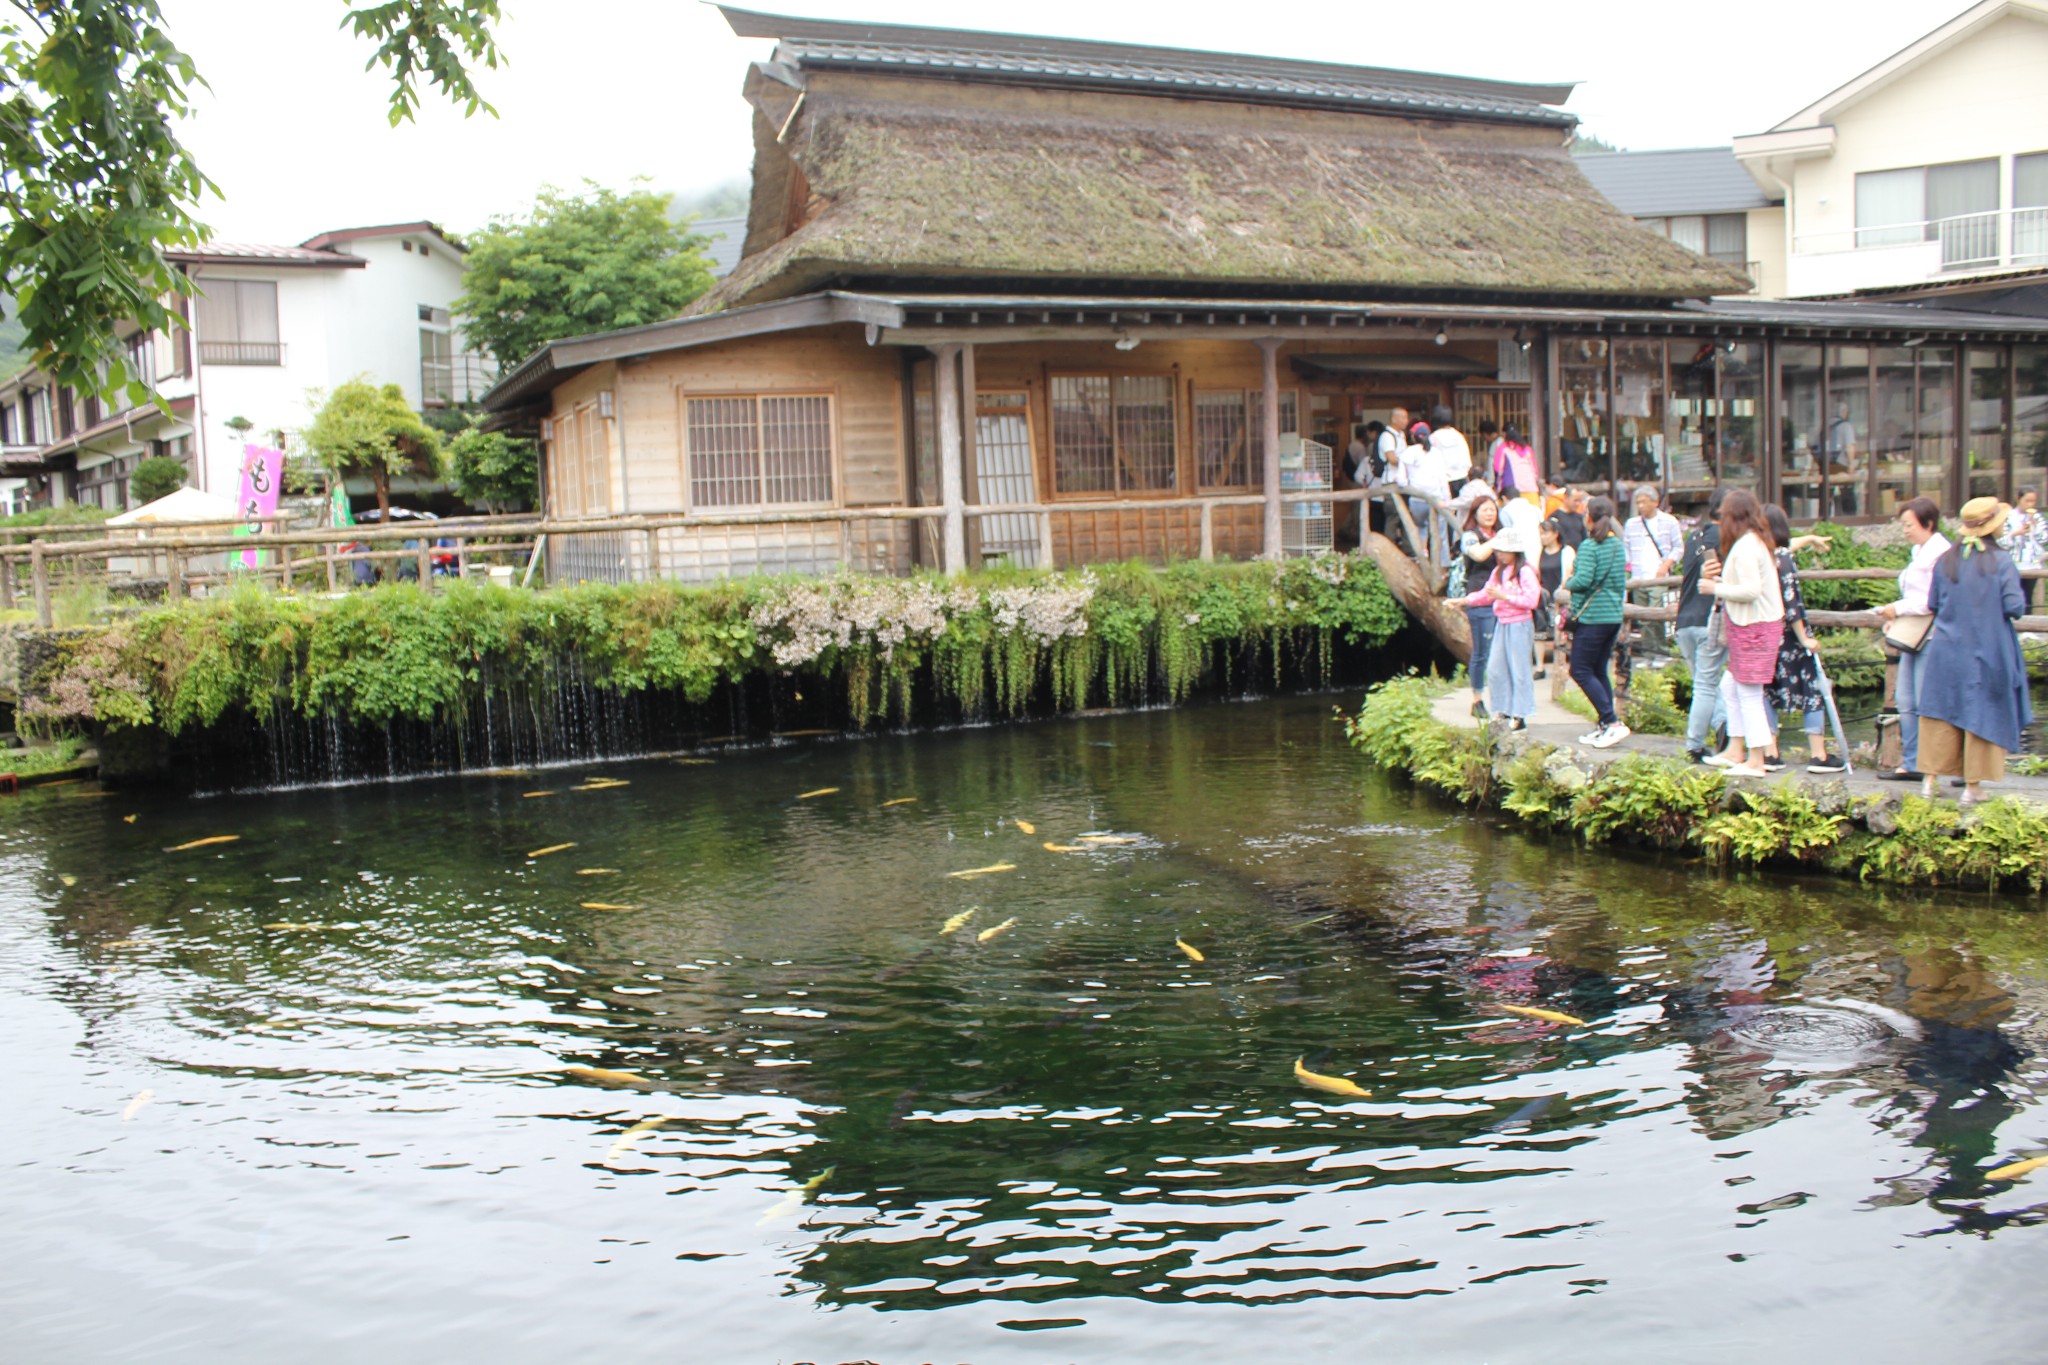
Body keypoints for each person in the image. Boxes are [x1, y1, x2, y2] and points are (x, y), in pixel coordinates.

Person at [1916, 498, 2033, 806]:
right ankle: (1972, 787)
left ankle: (1929, 781)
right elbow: (2015, 606)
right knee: (1982, 711)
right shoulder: (2001, 561)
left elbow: (1933, 603)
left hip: (1945, 648)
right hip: (1986, 647)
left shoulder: (1947, 558)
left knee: (1941, 710)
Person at [1699, 490, 1783, 779]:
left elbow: (1750, 591)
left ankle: (1757, 758)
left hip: (1754, 628)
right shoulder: (1753, 542)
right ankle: (1736, 749)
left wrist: (1715, 588)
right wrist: (1721, 581)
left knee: (1748, 692)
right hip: (1751, 627)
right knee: (1730, 686)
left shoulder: (1747, 546)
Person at [1760, 503, 1840, 774]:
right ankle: (1818, 754)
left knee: (1768, 690)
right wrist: (1805, 638)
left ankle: (1770, 751)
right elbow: (1792, 602)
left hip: (1767, 635)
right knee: (1812, 688)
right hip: (1790, 638)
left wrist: (1809, 539)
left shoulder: (1764, 556)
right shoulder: (1783, 557)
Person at [1876, 498, 1952, 782]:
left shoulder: (1941, 553)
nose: (1905, 529)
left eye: (1909, 524)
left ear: (1928, 523)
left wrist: (1900, 609)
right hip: (1912, 633)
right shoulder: (1918, 550)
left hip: (1931, 635)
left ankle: (1928, 762)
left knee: (1923, 699)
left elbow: (1933, 599)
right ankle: (1911, 761)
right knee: (1906, 698)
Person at [1557, 494, 1630, 748]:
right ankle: (1604, 724)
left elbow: (1584, 579)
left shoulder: (1590, 546)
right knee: (1598, 669)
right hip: (1612, 616)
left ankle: (1611, 722)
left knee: (1579, 669)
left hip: (1592, 617)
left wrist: (1569, 582)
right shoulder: (1617, 545)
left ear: (1589, 516)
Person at [1457, 522, 1541, 730]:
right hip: (1502, 622)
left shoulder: (1525, 572)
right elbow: (1487, 594)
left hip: (1519, 623)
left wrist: (1505, 596)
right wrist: (1464, 601)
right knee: (1495, 668)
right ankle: (1502, 709)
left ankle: (1520, 714)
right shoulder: (1498, 571)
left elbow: (1532, 600)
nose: (1500, 555)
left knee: (1519, 669)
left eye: (1503, 551)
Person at [1672, 487, 1729, 761]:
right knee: (1707, 685)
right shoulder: (1728, 538)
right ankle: (1695, 744)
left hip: (1684, 621)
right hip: (1709, 619)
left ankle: (1723, 727)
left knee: (1703, 682)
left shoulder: (1694, 537)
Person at [1457, 496, 1504, 718]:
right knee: (1481, 651)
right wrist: (1499, 541)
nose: (1489, 513)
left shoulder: (1502, 533)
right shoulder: (1470, 536)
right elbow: (1477, 554)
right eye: (1484, 510)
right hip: (1479, 595)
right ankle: (1477, 700)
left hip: (1503, 597)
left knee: (1501, 650)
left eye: (1493, 510)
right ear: (1475, 513)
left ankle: (1502, 698)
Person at [1622, 485, 1683, 646]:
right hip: (1638, 577)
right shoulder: (1631, 524)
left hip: (1659, 576)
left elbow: (1679, 548)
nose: (1641, 506)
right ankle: (1649, 652)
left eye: (1644, 502)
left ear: (1655, 502)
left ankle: (1660, 650)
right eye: (1638, 503)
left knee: (1656, 613)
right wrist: (1627, 567)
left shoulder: (1669, 522)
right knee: (1641, 616)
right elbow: (1626, 549)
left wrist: (1666, 565)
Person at [1536, 516, 1575, 671]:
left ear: (1555, 534)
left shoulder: (1566, 552)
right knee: (1539, 631)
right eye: (1541, 533)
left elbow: (1569, 573)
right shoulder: (1539, 552)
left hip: (1561, 594)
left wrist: (1562, 588)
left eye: (1546, 533)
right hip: (1543, 596)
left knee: (1563, 629)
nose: (1543, 537)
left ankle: (1562, 664)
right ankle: (1540, 666)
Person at [1997, 486, 2045, 608]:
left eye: (2033, 501)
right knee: (2013, 594)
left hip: (2032, 563)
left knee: (2028, 596)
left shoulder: (2037, 517)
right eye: (2027, 501)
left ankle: (2027, 621)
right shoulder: (2008, 517)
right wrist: (2015, 533)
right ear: (2018, 499)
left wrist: (2035, 526)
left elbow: (2044, 539)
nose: (2030, 504)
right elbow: (2001, 541)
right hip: (2014, 563)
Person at [1490, 425, 1541, 512]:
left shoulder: (1503, 448)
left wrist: (1496, 485)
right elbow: (1535, 471)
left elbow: (1498, 469)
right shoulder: (1528, 449)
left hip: (1511, 490)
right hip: (1530, 489)